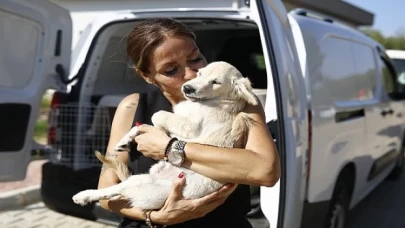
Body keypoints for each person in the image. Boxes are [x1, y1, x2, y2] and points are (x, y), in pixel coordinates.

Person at [97, 17, 280, 228]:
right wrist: (157, 217)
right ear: (146, 76)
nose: (191, 74)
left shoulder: (237, 100)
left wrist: (170, 148)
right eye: (171, 70)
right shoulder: (132, 107)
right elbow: (105, 192)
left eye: (195, 58)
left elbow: (266, 171)